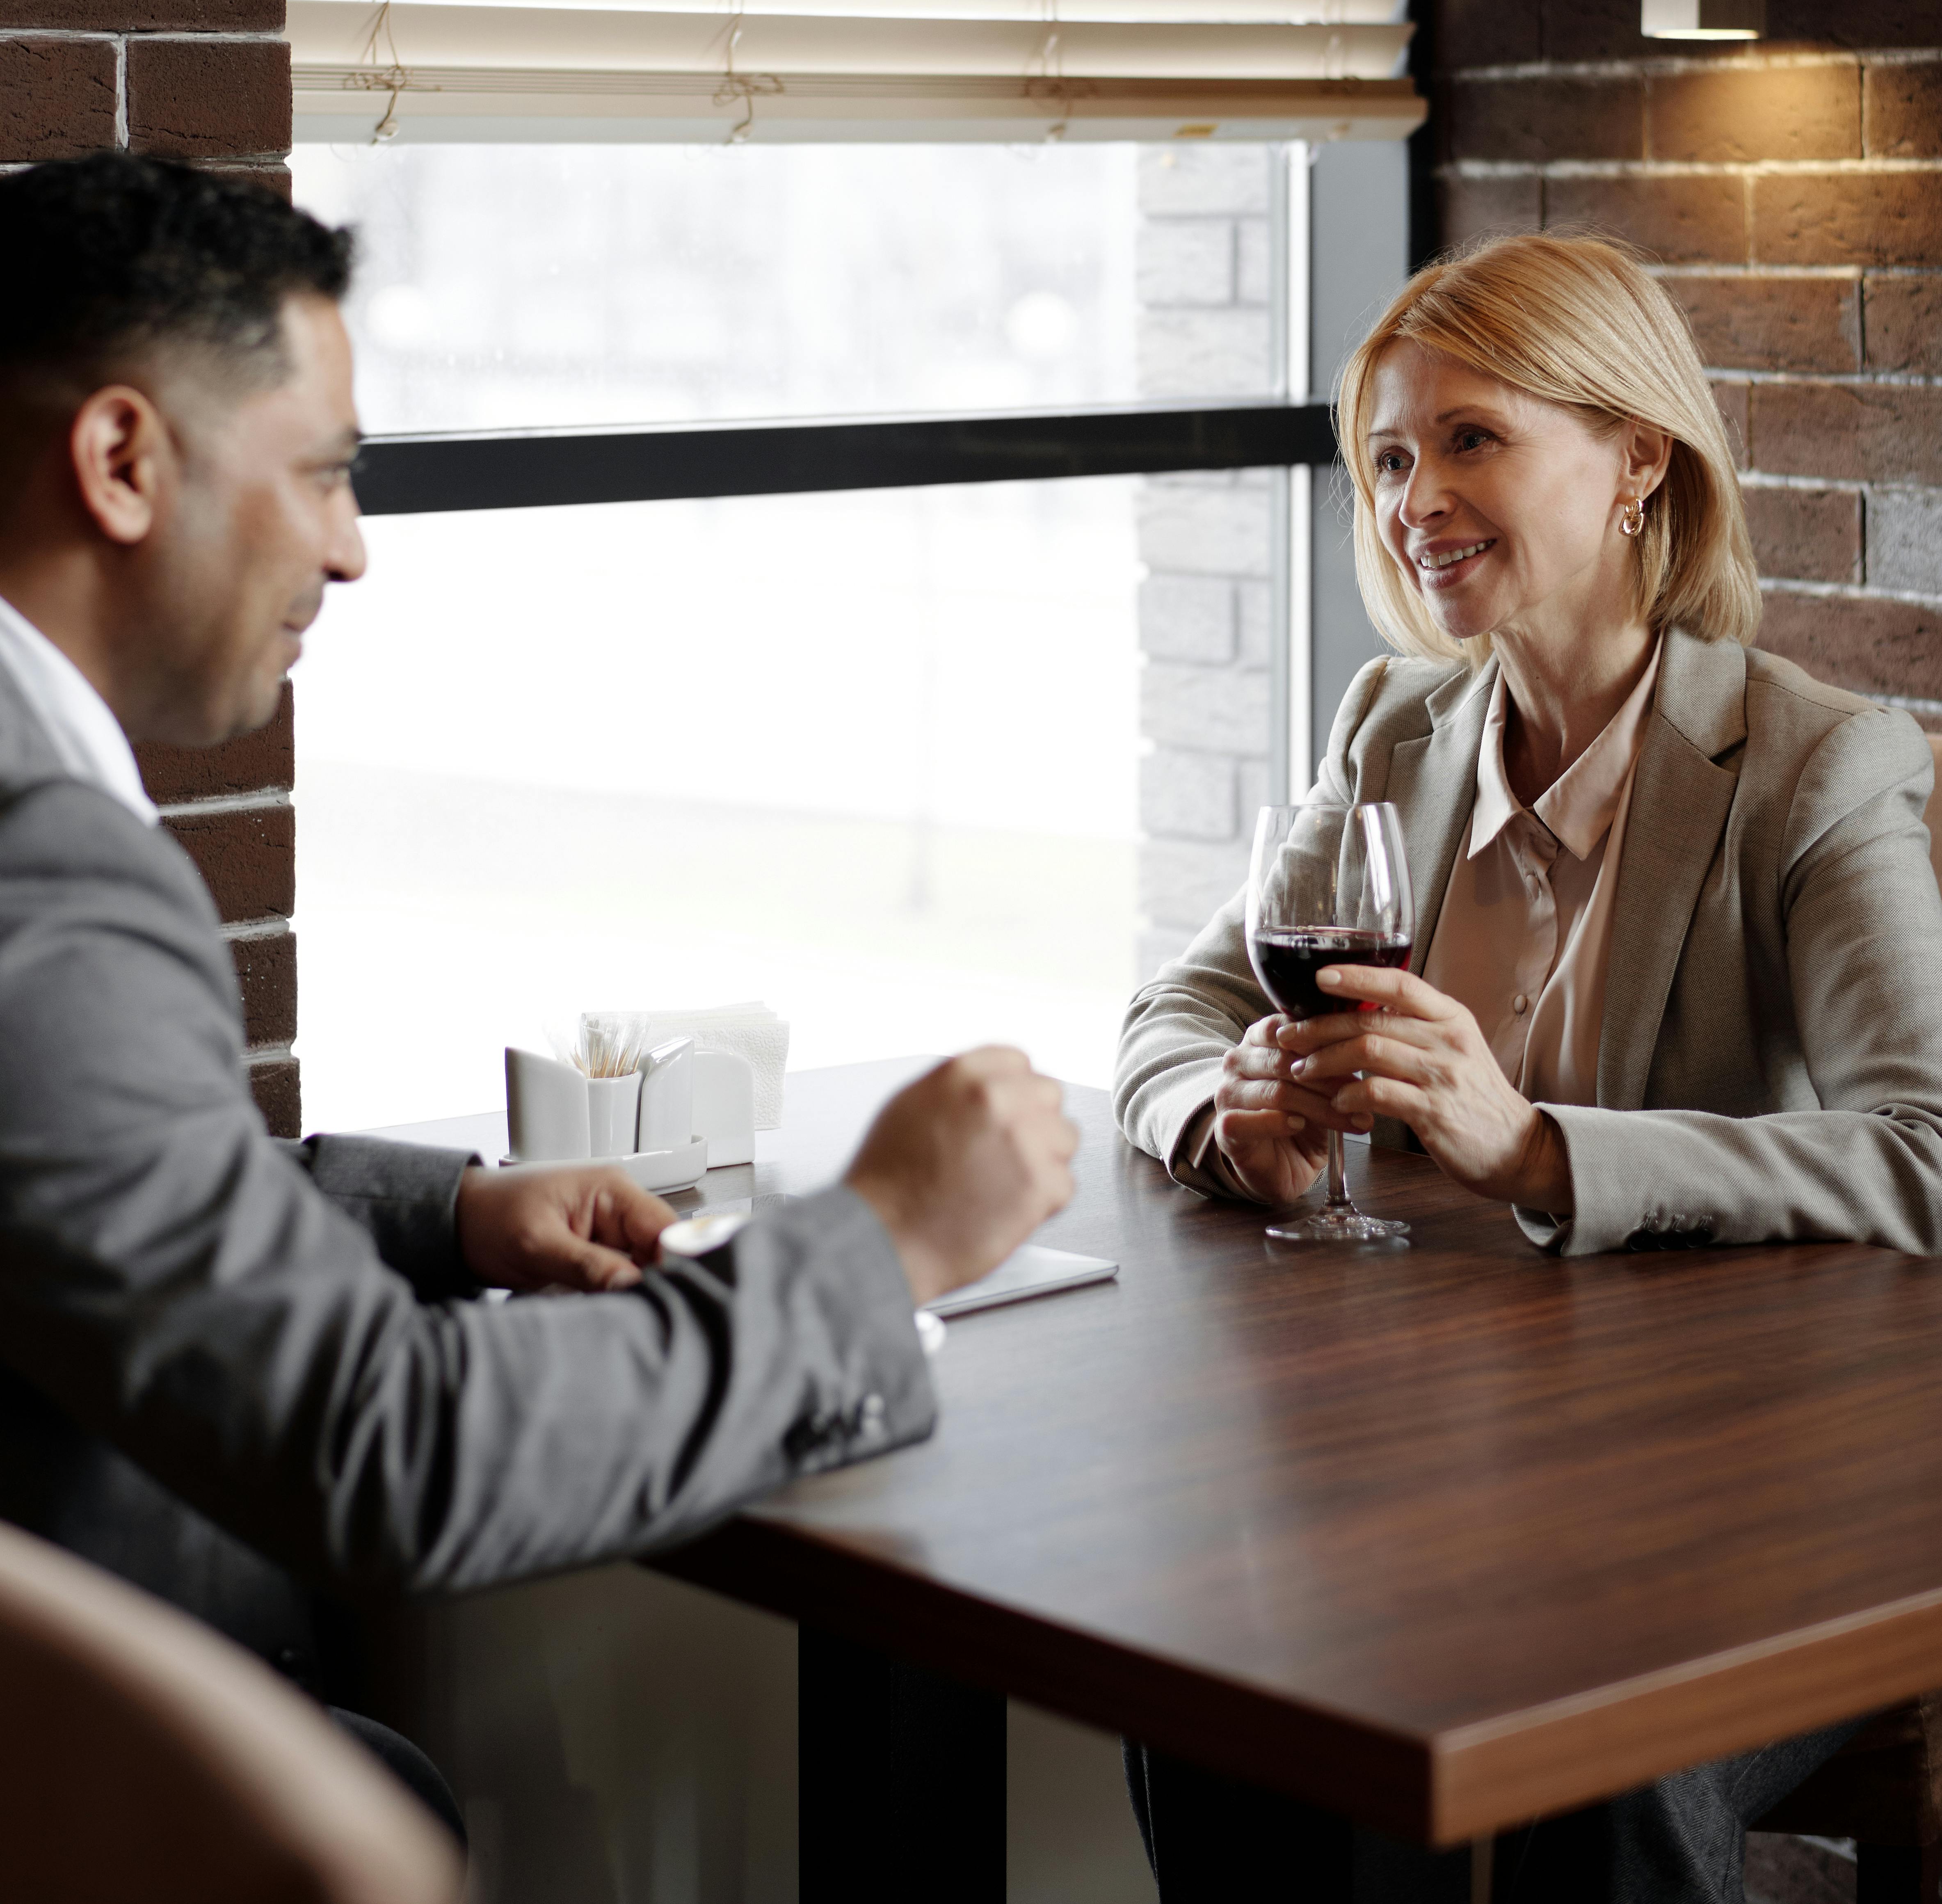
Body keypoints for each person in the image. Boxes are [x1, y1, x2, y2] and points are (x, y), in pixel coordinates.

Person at [0, 151, 1078, 1825]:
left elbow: (78, 1181)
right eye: (326, 475)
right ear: (123, 459)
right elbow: (388, 1450)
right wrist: (880, 1241)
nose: (353, 552)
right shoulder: (41, 862)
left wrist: (448, 1214)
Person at [1114, 226, 1942, 1904]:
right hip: (1437, 1478)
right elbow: (1166, 1019)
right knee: (1218, 1674)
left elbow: (1922, 1149)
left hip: (1747, 1504)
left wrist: (1538, 1148)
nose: (1414, 495)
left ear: (1638, 458)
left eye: (1469, 438)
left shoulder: (1809, 763)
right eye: (1391, 456)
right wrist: (1230, 1117)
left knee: (1588, 1747)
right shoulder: (1387, 730)